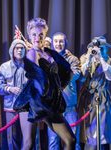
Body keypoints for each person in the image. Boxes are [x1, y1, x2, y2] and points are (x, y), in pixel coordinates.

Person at [13, 17, 76, 150]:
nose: (37, 37)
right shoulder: (31, 54)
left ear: (45, 35)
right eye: (34, 34)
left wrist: (57, 91)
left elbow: (64, 74)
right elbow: (37, 77)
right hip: (31, 101)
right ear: (29, 36)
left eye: (41, 34)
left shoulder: (50, 53)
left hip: (48, 102)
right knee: (28, 144)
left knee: (70, 140)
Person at [0, 39, 36, 150]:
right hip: (10, 106)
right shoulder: (4, 67)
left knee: (28, 139)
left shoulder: (30, 67)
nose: (19, 50)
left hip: (26, 107)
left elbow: (37, 85)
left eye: (22, 48)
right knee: (12, 138)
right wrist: (9, 89)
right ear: (12, 50)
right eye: (17, 48)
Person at [47, 32, 81, 149]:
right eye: (56, 41)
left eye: (61, 41)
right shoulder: (47, 58)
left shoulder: (72, 59)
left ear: (65, 43)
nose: (58, 44)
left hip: (69, 107)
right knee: (53, 141)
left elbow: (76, 74)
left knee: (73, 140)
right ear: (52, 43)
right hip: (53, 108)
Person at [78, 36, 111, 150]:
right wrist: (89, 59)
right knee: (89, 131)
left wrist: (101, 58)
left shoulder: (108, 60)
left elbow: (109, 76)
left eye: (101, 48)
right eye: (97, 48)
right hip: (89, 99)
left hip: (103, 99)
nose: (98, 50)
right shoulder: (87, 59)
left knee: (102, 131)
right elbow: (81, 77)